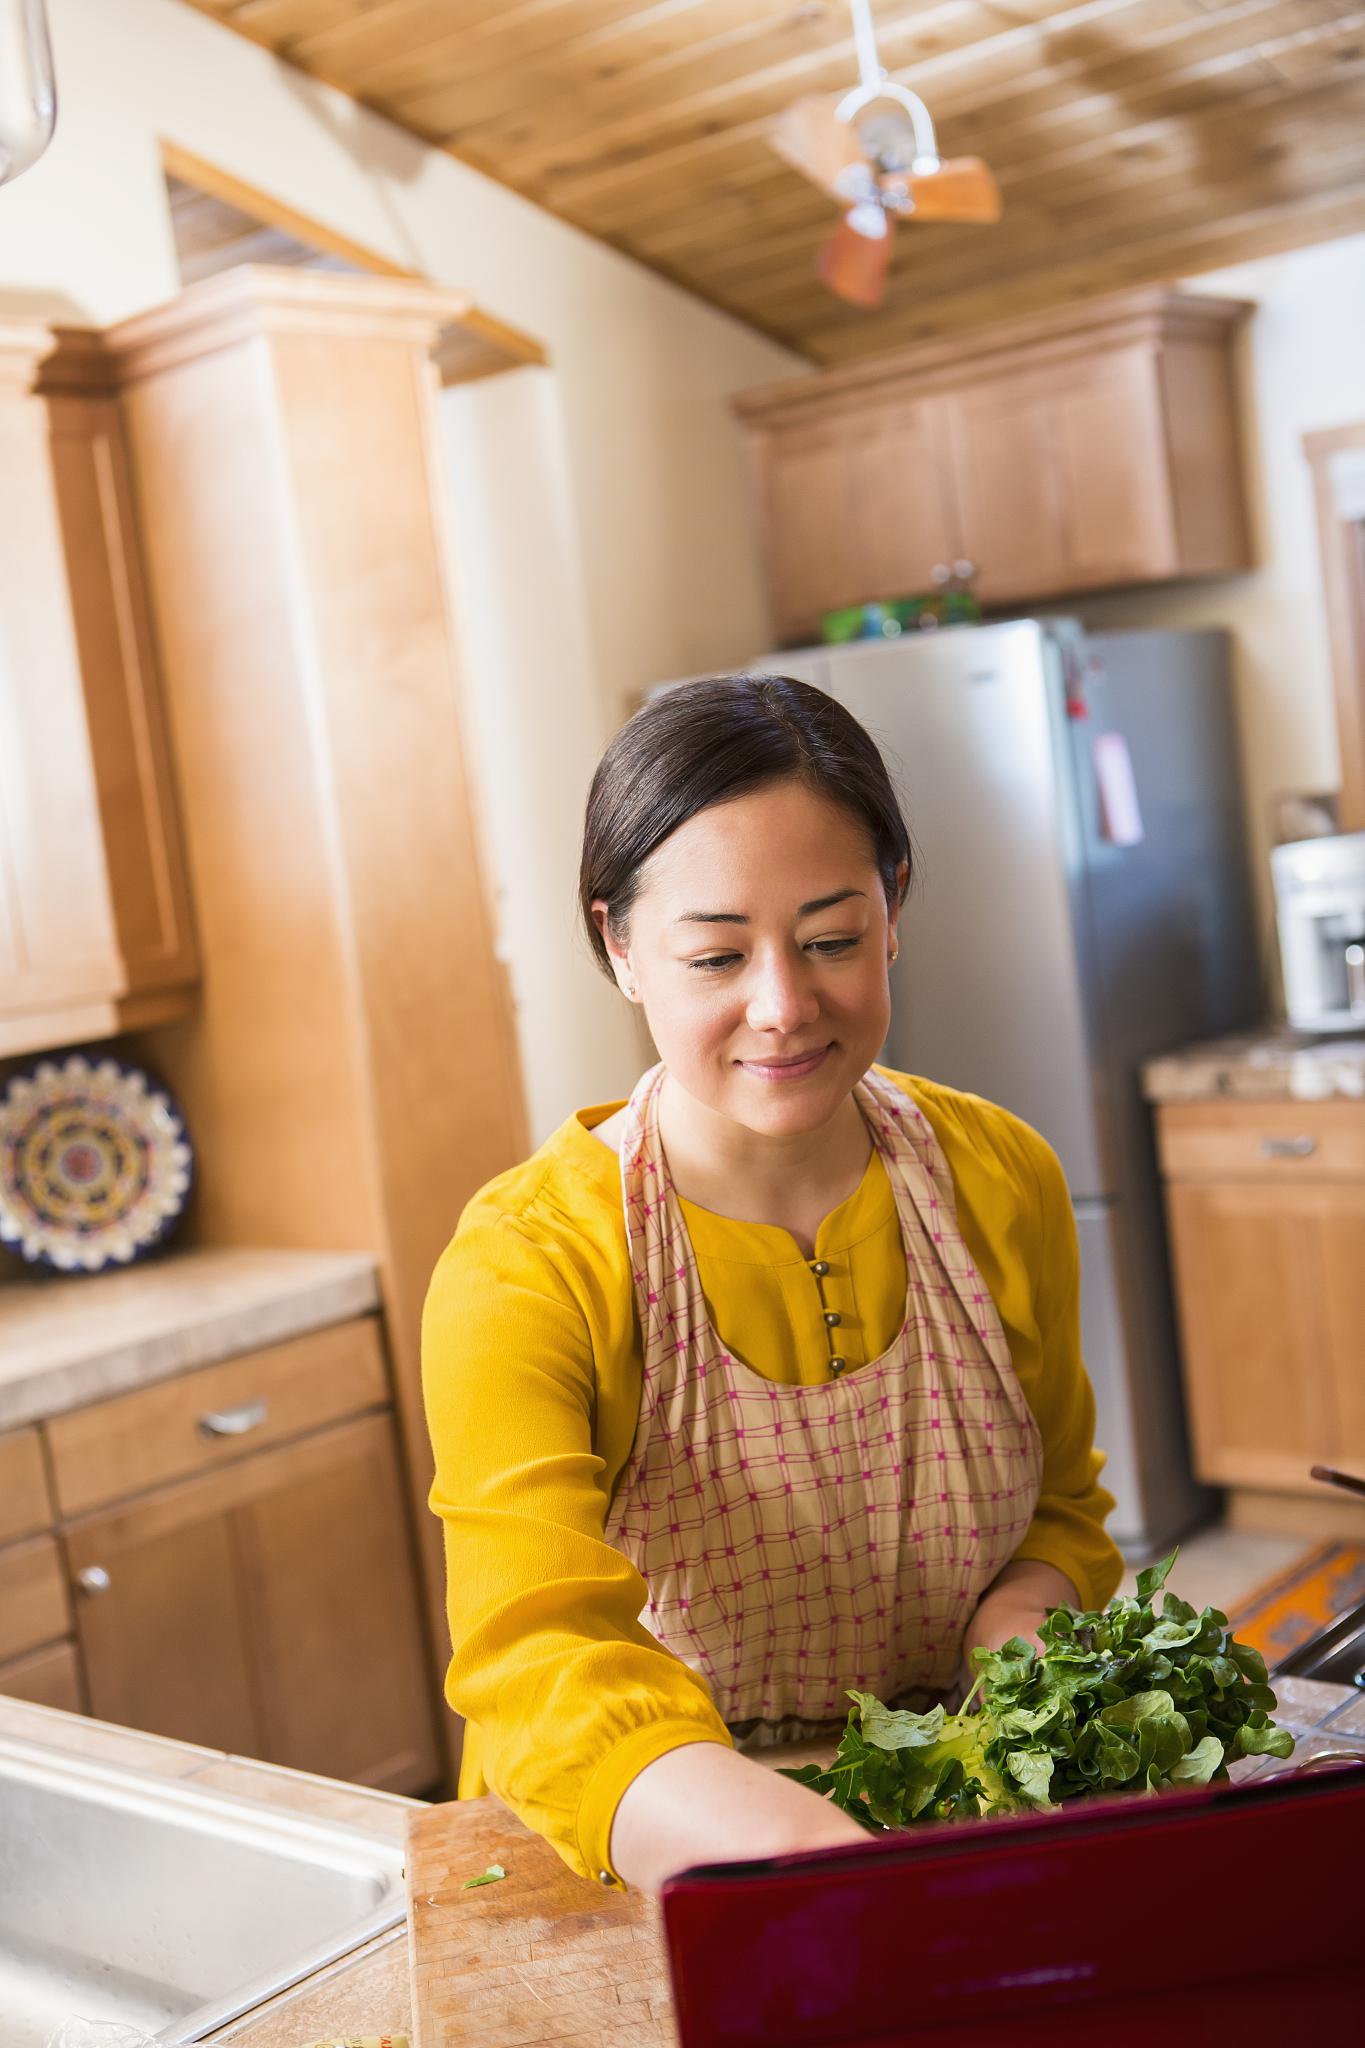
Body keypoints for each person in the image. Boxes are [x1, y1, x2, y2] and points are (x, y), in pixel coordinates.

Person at [422, 675, 1121, 1896]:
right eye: (714, 955)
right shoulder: (527, 1263)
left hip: (953, 1819)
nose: (784, 1006)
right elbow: (538, 1654)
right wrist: (799, 1856)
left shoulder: (1001, 1177)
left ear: (894, 907)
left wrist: (1019, 1634)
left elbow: (1060, 1507)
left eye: (831, 938)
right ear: (619, 947)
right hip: (646, 1863)